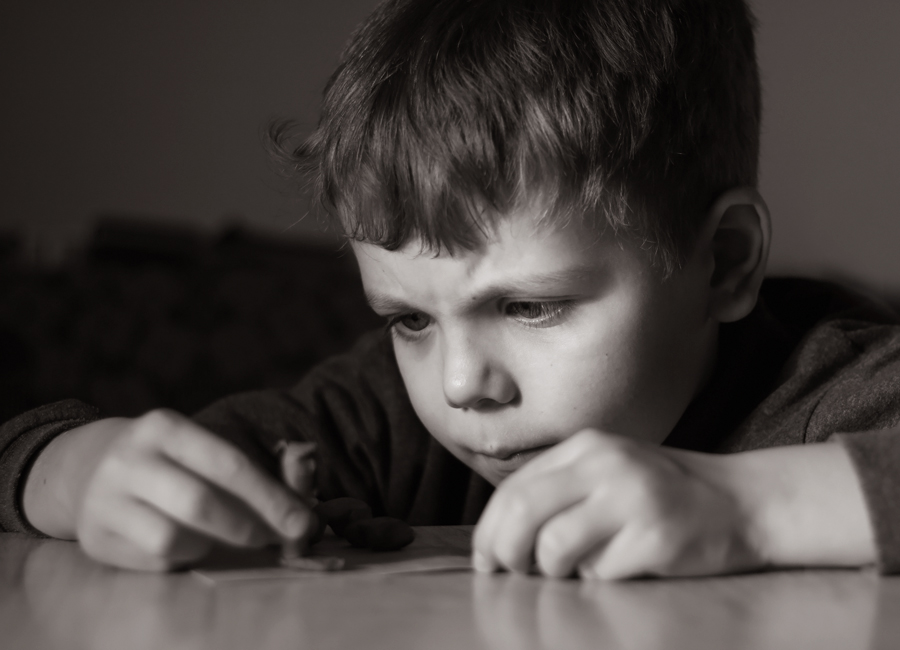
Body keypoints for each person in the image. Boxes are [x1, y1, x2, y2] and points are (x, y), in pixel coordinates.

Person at [3, 0, 899, 579]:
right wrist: (71, 471)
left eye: (528, 305)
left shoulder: (829, 389)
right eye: (407, 319)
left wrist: (748, 507)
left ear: (725, 263)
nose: (461, 384)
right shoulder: (389, 416)